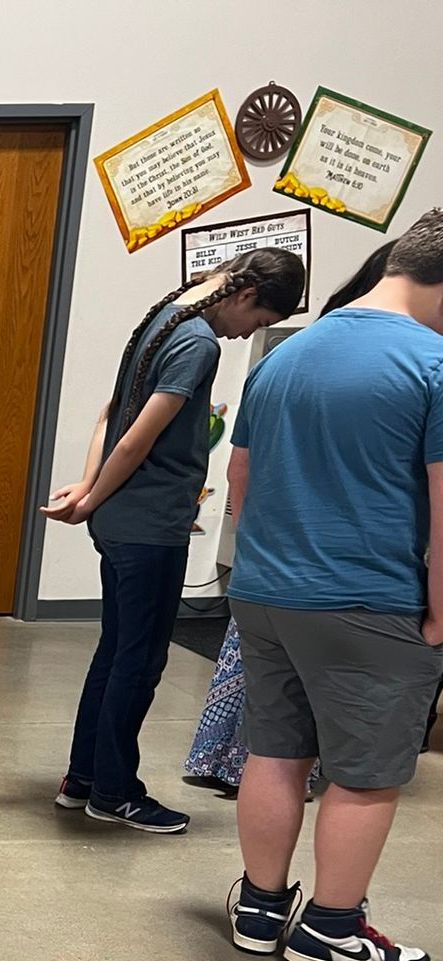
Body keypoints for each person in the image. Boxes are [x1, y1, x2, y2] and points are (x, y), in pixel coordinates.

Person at [223, 211, 443, 961]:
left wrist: (257, 572)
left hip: (264, 590)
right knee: (367, 773)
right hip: (370, 602)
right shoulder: (434, 364)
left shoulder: (286, 353)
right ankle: (330, 930)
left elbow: (239, 481)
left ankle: (259, 905)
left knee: (277, 750)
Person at [41, 248, 305, 833]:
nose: (247, 337)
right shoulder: (200, 341)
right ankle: (113, 791)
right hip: (148, 527)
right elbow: (134, 440)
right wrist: (91, 496)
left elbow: (111, 415)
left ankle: (83, 777)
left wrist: (89, 490)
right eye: (258, 323)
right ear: (243, 296)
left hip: (122, 522)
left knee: (116, 651)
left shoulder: (166, 314)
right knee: (138, 660)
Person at [185, 247, 393, 797]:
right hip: (342, 572)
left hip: (268, 563)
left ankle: (226, 761)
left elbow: (240, 467)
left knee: (269, 726)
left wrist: (249, 541)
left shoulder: (288, 355)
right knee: (353, 764)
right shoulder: (405, 362)